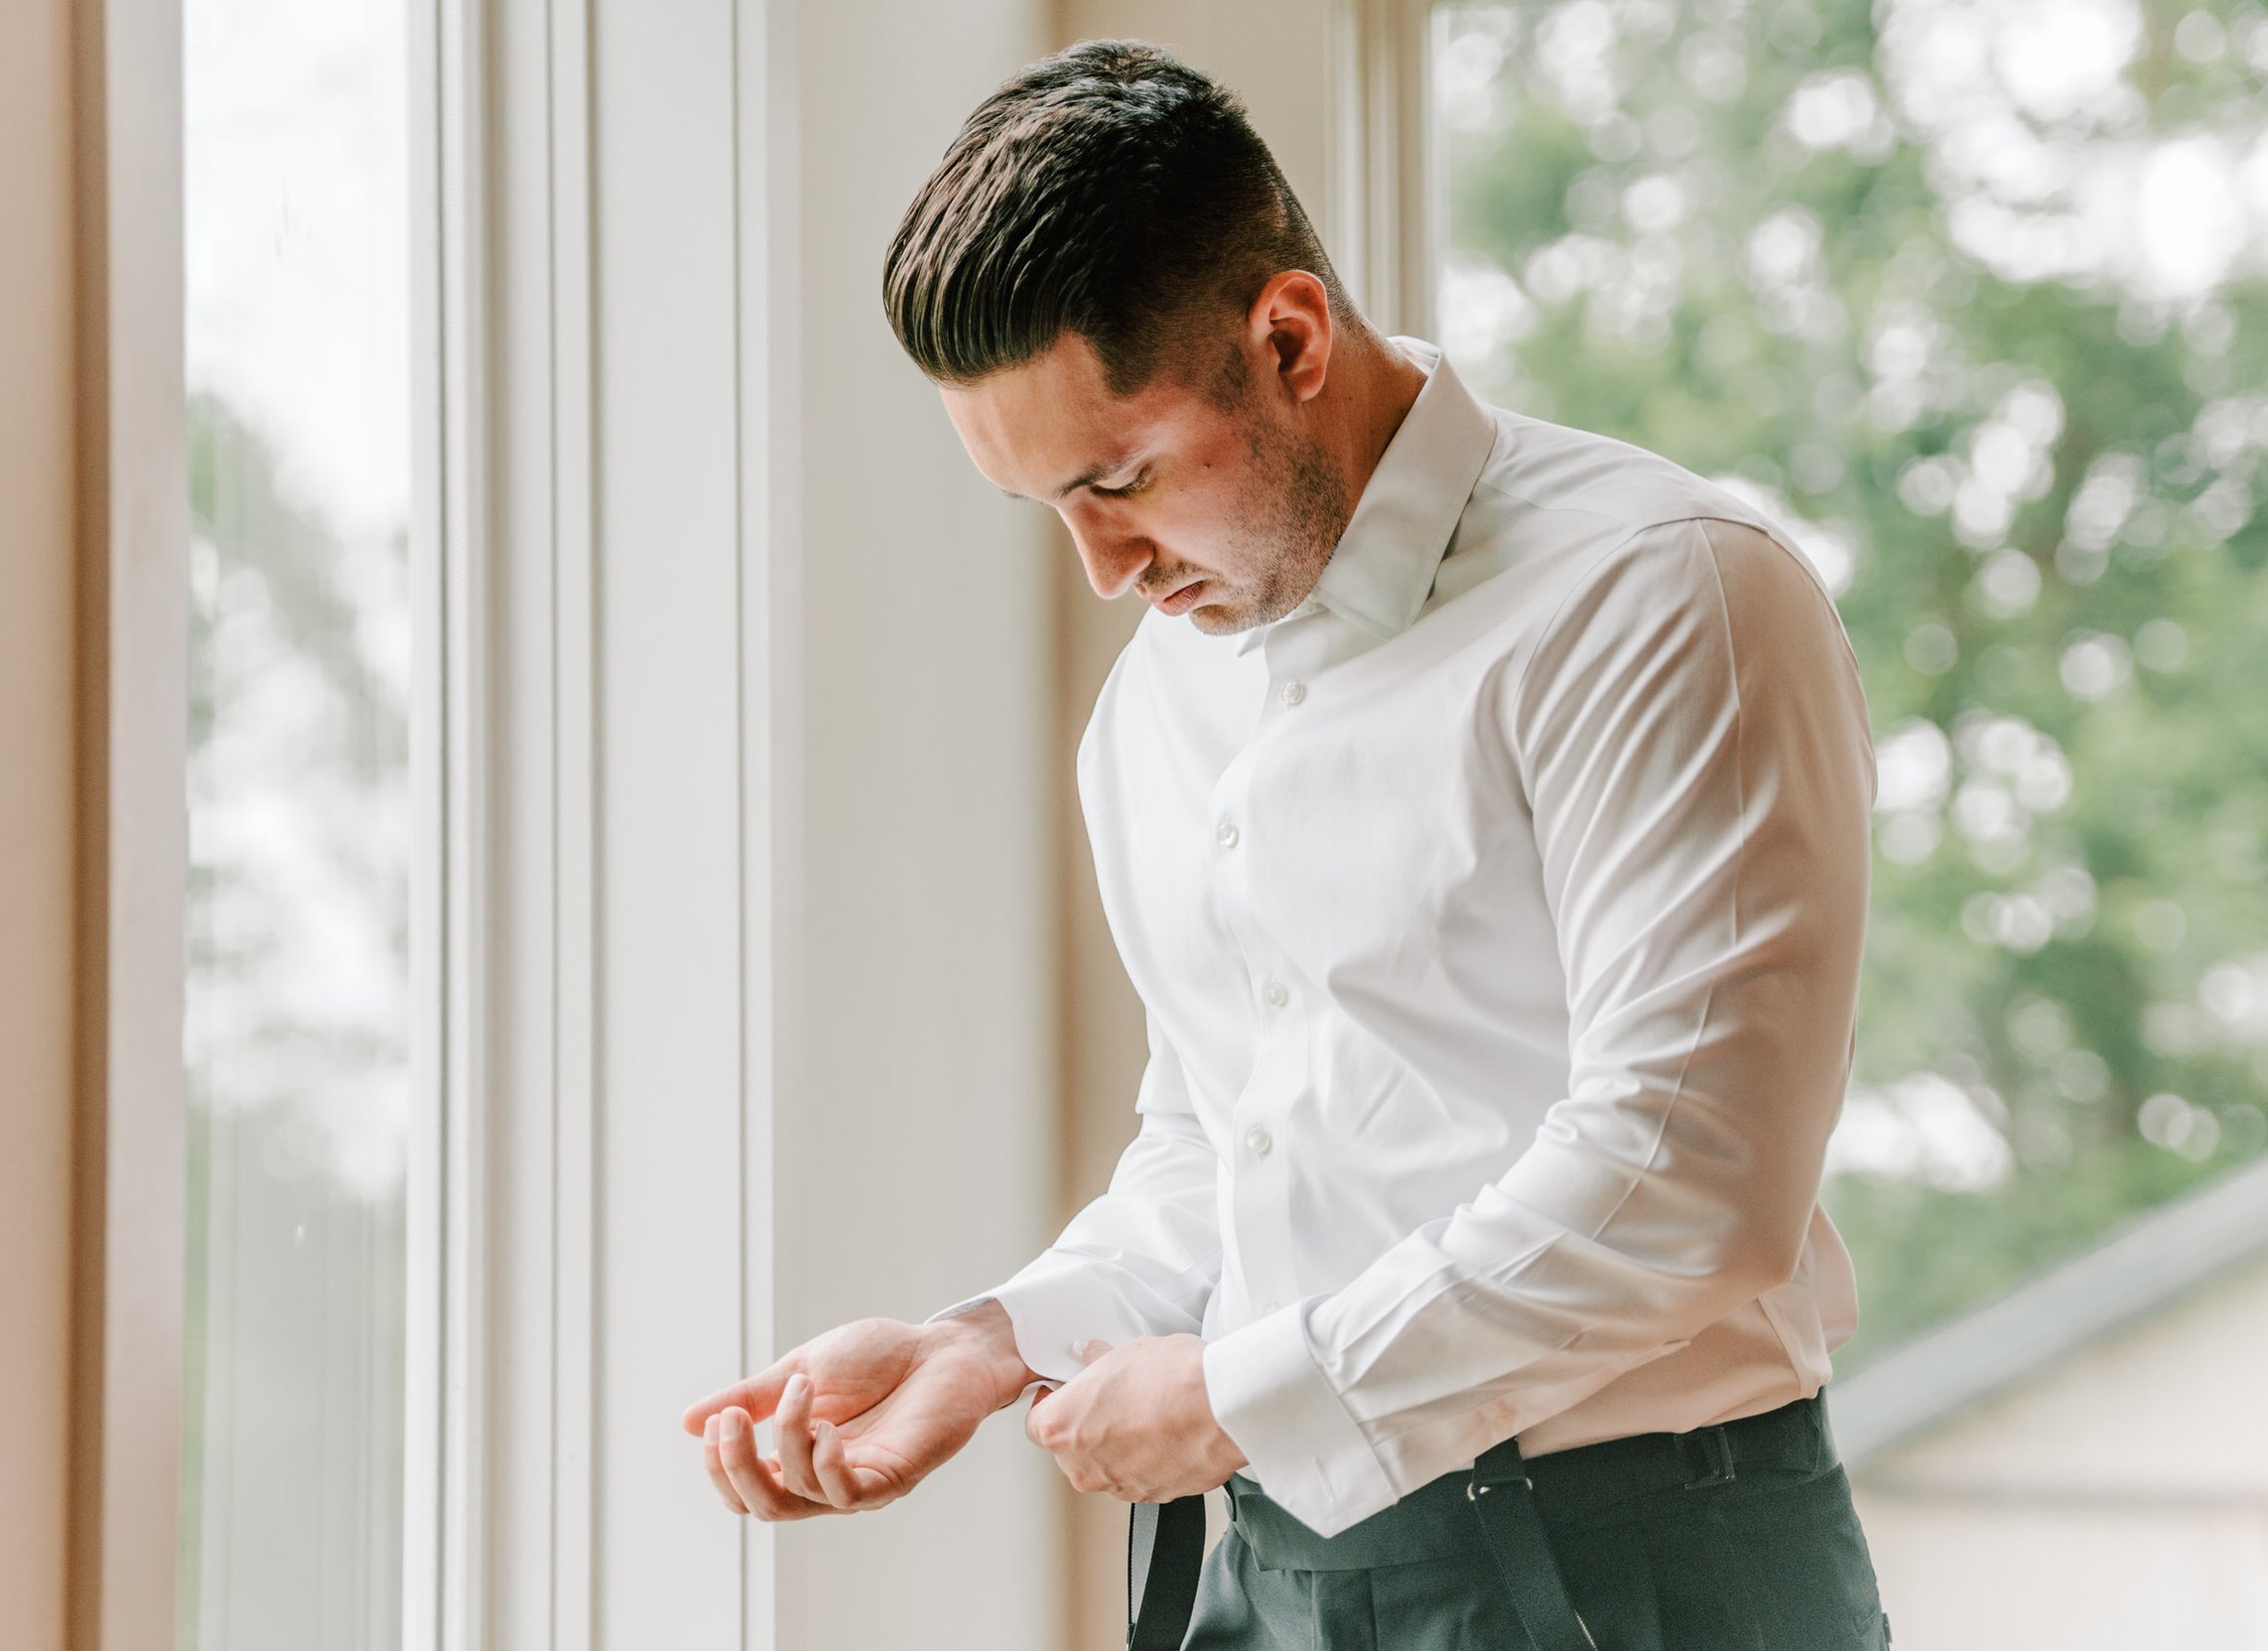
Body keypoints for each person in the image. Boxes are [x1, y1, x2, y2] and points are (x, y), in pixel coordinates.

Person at [682, 39, 1893, 1650]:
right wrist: (993, 1341)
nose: (1102, 567)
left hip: (1628, 1563)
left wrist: (1246, 1396)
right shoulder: (1159, 703)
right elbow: (1223, 1141)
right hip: (1266, 1569)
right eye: (1046, 506)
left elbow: (1690, 1172)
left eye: (1120, 479)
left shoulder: (1663, 595)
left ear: (1291, 336)